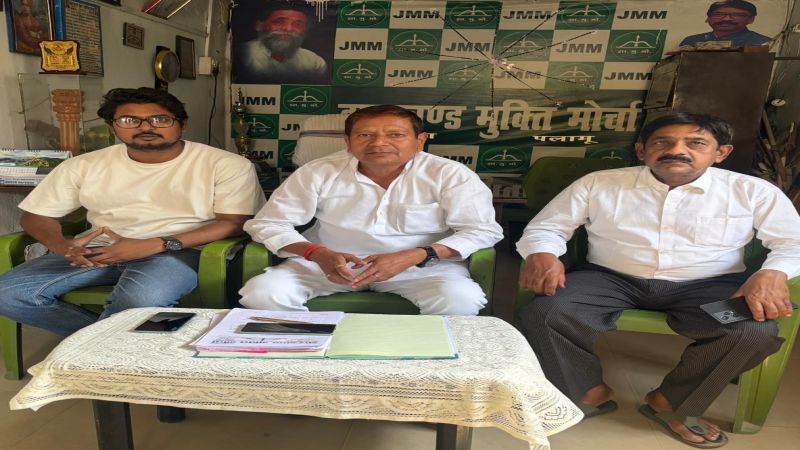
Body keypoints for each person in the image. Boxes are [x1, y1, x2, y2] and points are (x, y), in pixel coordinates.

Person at [516, 112, 800, 448]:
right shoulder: (599, 183)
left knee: (750, 330)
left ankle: (671, 403)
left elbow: (791, 242)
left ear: (721, 153)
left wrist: (772, 272)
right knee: (546, 312)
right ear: (642, 150)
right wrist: (543, 253)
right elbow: (547, 227)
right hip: (608, 280)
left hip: (709, 286)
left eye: (696, 143)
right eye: (663, 142)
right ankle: (587, 391)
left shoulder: (752, 191)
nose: (677, 150)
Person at [0, 87, 265, 336]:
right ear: (112, 126)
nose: (146, 127)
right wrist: (62, 245)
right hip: (99, 249)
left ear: (182, 124)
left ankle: (103, 350)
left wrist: (158, 244)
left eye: (160, 120)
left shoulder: (225, 164)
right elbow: (36, 215)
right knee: (8, 294)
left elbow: (234, 222)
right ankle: (102, 345)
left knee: (137, 302)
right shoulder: (84, 165)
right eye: (129, 120)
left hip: (180, 251)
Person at [240, 105, 503, 315]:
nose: (379, 143)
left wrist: (417, 255)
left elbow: (481, 231)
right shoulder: (318, 171)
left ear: (420, 140)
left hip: (420, 269)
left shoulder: (450, 174)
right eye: (364, 135)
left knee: (460, 299)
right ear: (348, 141)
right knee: (262, 294)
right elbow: (268, 223)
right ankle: (305, 353)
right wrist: (316, 253)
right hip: (330, 265)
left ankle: (417, 358)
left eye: (395, 135)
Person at [233, 3, 328, 84]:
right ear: (259, 25)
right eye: (279, 22)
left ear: (305, 31)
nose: (288, 29)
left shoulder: (314, 63)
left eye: (298, 24)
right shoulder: (240, 55)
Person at [679, 0, 770, 48]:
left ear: (751, 19)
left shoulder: (762, 42)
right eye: (718, 14)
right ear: (708, 18)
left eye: (737, 15)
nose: (726, 19)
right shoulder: (691, 41)